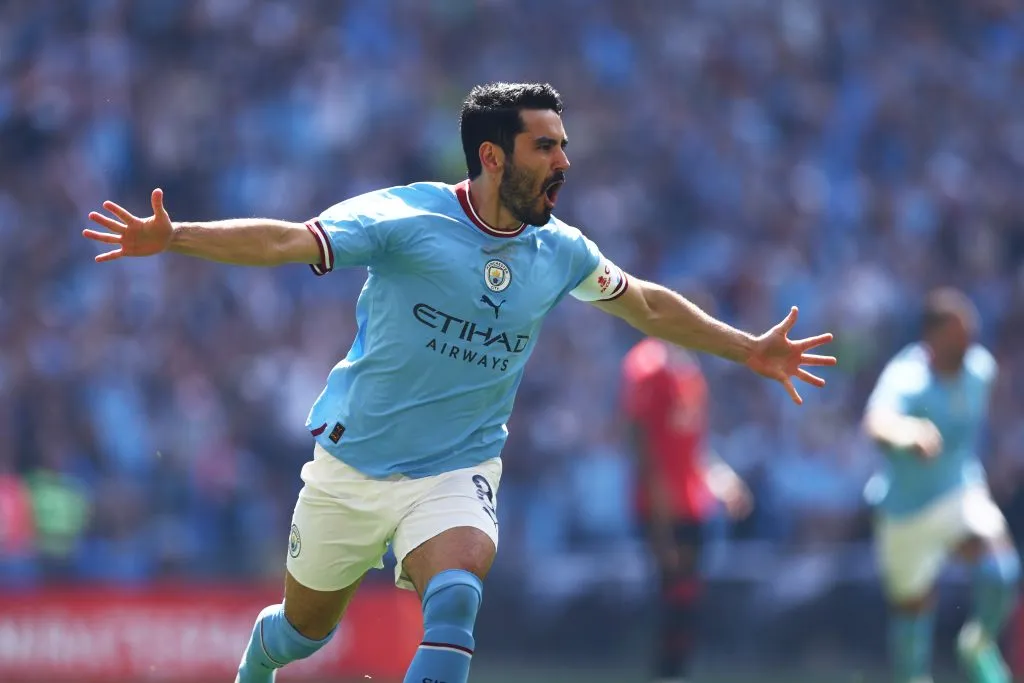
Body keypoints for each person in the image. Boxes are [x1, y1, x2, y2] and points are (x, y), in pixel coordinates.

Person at [82, 82, 835, 683]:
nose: (564, 162)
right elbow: (288, 240)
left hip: (456, 466)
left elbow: (644, 304)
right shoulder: (404, 218)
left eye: (565, 145)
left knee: (458, 592)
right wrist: (177, 236)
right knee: (304, 631)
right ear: (493, 156)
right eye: (546, 146)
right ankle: (259, 660)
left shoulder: (562, 250)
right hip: (353, 464)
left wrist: (747, 348)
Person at [863, 288, 1019, 683]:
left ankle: (977, 643)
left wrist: (1000, 456)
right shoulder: (907, 376)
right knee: (911, 618)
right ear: (931, 337)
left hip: (958, 493)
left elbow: (986, 419)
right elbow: (877, 422)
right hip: (905, 511)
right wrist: (908, 433)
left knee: (1000, 572)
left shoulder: (980, 370)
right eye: (957, 334)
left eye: (970, 332)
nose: (968, 341)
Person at [622, 337, 752, 683]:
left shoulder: (690, 366)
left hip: (693, 505)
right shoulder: (647, 365)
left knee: (685, 599)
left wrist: (721, 478)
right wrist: (660, 519)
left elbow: (693, 445)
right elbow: (641, 442)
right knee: (667, 599)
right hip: (661, 507)